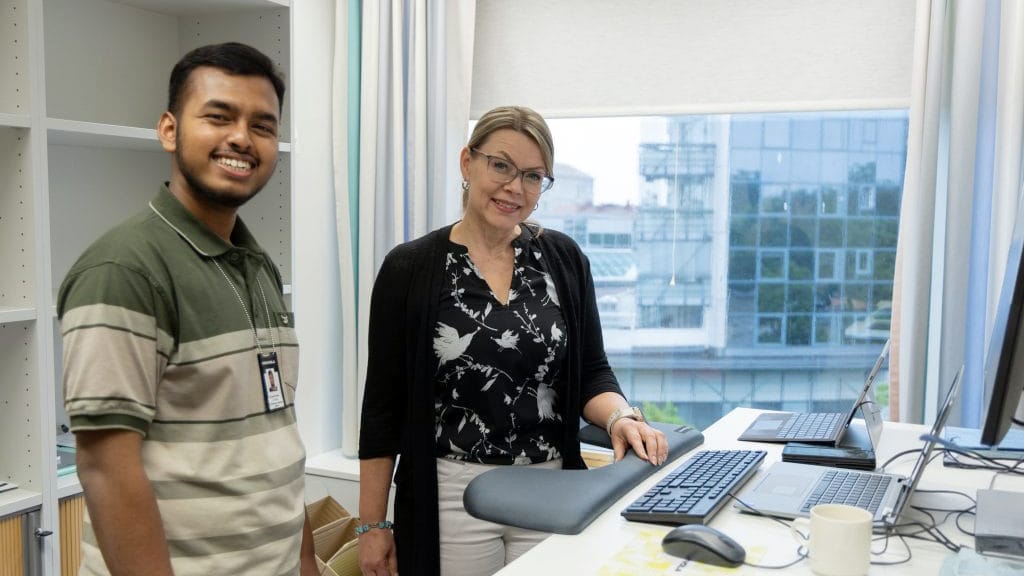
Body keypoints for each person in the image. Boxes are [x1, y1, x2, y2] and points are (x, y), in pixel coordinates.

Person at [357, 105, 669, 576]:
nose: (514, 187)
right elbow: (383, 406)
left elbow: (591, 372)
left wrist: (620, 417)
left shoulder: (564, 259)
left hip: (552, 491)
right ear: (467, 162)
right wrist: (372, 525)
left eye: (532, 176)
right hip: (452, 496)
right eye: (500, 165)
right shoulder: (409, 268)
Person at [59, 42, 317, 575]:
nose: (241, 138)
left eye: (262, 126)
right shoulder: (124, 269)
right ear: (169, 130)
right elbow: (105, 466)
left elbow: (278, 443)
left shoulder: (257, 266)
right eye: (219, 117)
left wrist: (306, 564)